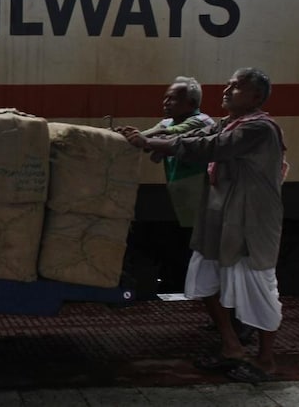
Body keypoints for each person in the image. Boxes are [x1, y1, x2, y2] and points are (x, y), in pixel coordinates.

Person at [118, 68, 287, 384]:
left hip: (249, 222)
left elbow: (210, 147)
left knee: (258, 288)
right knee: (205, 278)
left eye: (236, 87)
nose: (226, 89)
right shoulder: (229, 124)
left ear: (256, 97)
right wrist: (149, 141)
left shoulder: (260, 129)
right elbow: (193, 138)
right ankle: (232, 347)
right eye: (228, 84)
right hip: (219, 219)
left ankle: (266, 360)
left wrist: (152, 142)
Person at [140, 76, 215, 229]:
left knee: (202, 232)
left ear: (192, 104)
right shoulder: (168, 122)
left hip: (199, 187)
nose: (166, 103)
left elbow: (168, 133)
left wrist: (149, 135)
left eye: (172, 99)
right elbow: (145, 143)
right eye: (165, 98)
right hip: (179, 186)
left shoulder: (201, 121)